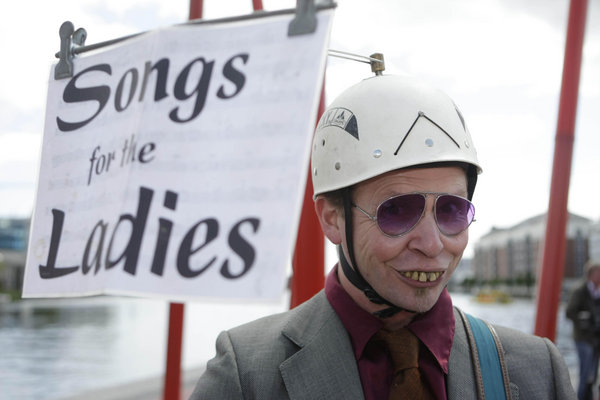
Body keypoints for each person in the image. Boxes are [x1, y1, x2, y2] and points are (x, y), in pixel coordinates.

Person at [190, 71, 575, 399]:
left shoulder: (537, 370)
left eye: (451, 210)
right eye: (398, 210)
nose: (433, 243)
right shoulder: (247, 377)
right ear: (332, 218)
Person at [567, 261, 600, 400]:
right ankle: (580, 397)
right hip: (584, 338)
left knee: (593, 373)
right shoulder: (579, 290)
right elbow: (569, 312)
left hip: (597, 337)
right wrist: (584, 320)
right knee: (585, 372)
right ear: (591, 274)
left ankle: (590, 396)